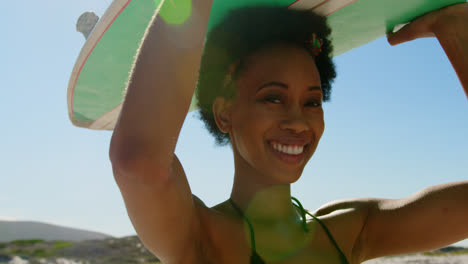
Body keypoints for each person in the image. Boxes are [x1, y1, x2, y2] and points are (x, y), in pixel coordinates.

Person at [109, 1, 468, 263]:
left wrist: (456, 34)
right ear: (223, 113)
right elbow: (139, 161)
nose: (298, 121)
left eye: (312, 102)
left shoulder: (350, 230)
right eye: (273, 98)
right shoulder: (203, 239)